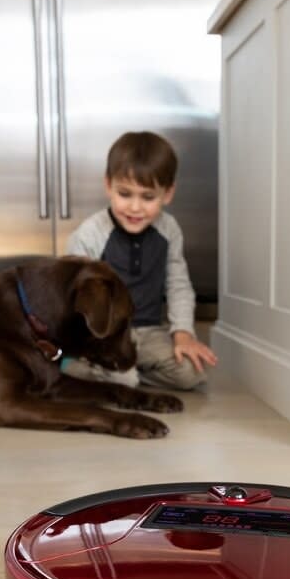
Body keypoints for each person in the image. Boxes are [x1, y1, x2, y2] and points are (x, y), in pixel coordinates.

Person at [61, 131, 217, 390]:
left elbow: (178, 285)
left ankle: (124, 373)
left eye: (148, 197)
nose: (135, 208)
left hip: (150, 333)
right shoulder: (90, 234)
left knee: (191, 374)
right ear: (108, 185)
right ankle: (92, 368)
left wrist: (183, 334)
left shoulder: (169, 229)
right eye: (125, 194)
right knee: (119, 376)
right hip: (105, 334)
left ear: (167, 194)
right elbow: (72, 299)